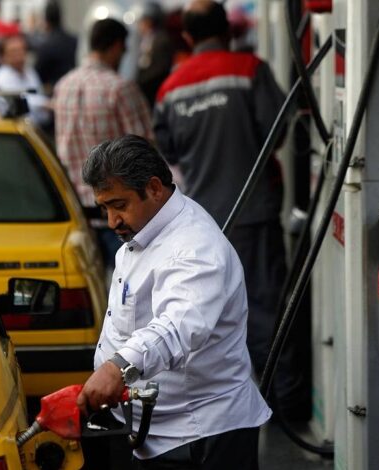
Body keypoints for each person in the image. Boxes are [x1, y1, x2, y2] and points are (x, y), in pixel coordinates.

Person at [77, 134, 271, 469]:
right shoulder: (145, 231)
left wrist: (117, 368)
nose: (111, 221)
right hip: (156, 432)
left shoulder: (194, 247)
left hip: (200, 437)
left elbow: (177, 326)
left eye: (119, 205)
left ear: (154, 188)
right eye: (104, 208)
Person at [153, 0, 287, 375]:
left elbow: (169, 152)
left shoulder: (170, 89)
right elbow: (278, 131)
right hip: (255, 215)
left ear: (187, 36)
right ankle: (278, 398)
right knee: (267, 313)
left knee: (213, 315)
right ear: (227, 30)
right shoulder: (250, 70)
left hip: (204, 224)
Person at [53, 18, 153, 268]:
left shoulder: (63, 86)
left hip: (76, 212)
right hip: (119, 213)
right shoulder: (120, 89)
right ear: (117, 46)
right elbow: (146, 152)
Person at [0, 34, 51, 129]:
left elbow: (38, 94)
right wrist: (45, 104)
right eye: (14, 51)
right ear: (4, 56)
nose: (19, 55)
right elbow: (19, 102)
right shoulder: (0, 78)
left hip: (37, 127)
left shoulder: (29, 71)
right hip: (12, 129)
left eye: (21, 50)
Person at [29, 0, 77, 96]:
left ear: (46, 21)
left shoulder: (46, 46)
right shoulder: (74, 40)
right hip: (74, 88)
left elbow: (37, 75)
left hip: (53, 93)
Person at [135, 2, 175, 108]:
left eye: (141, 21)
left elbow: (160, 69)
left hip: (155, 92)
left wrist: (141, 82)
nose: (139, 26)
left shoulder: (161, 40)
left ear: (149, 21)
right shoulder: (145, 39)